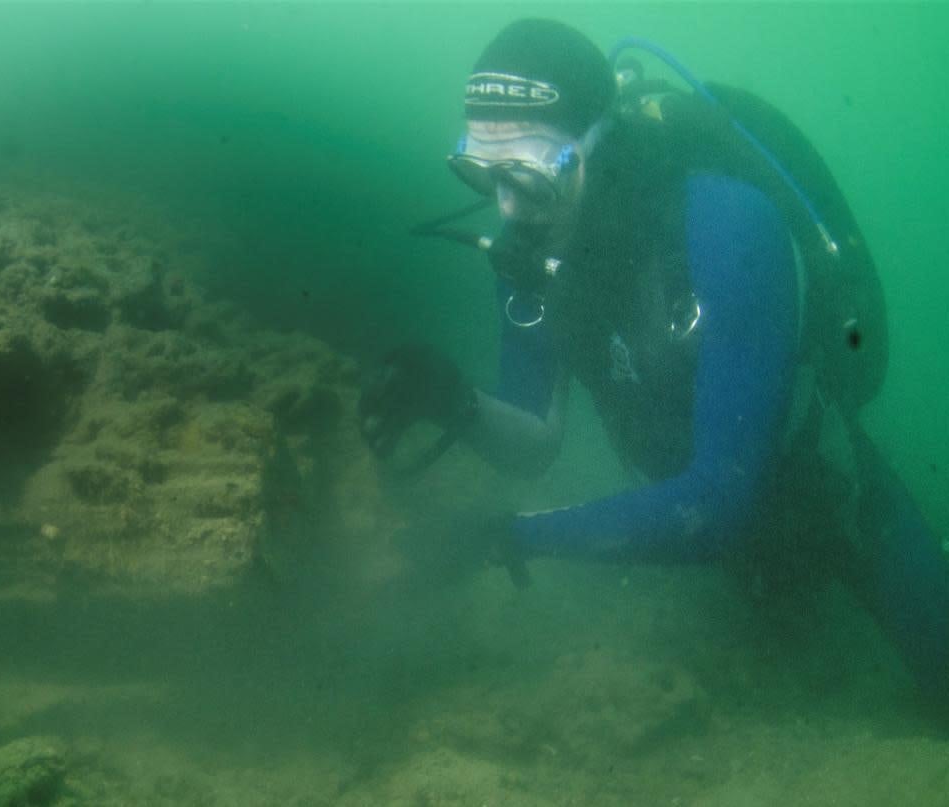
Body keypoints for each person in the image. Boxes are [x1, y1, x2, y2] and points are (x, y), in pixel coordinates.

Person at [359, 18, 949, 717]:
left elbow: (718, 502)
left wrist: (509, 537)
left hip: (824, 501)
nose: (508, 206)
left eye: (527, 173)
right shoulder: (528, 246)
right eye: (481, 174)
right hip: (681, 521)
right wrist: (458, 404)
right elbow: (537, 444)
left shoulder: (729, 224)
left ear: (599, 146)